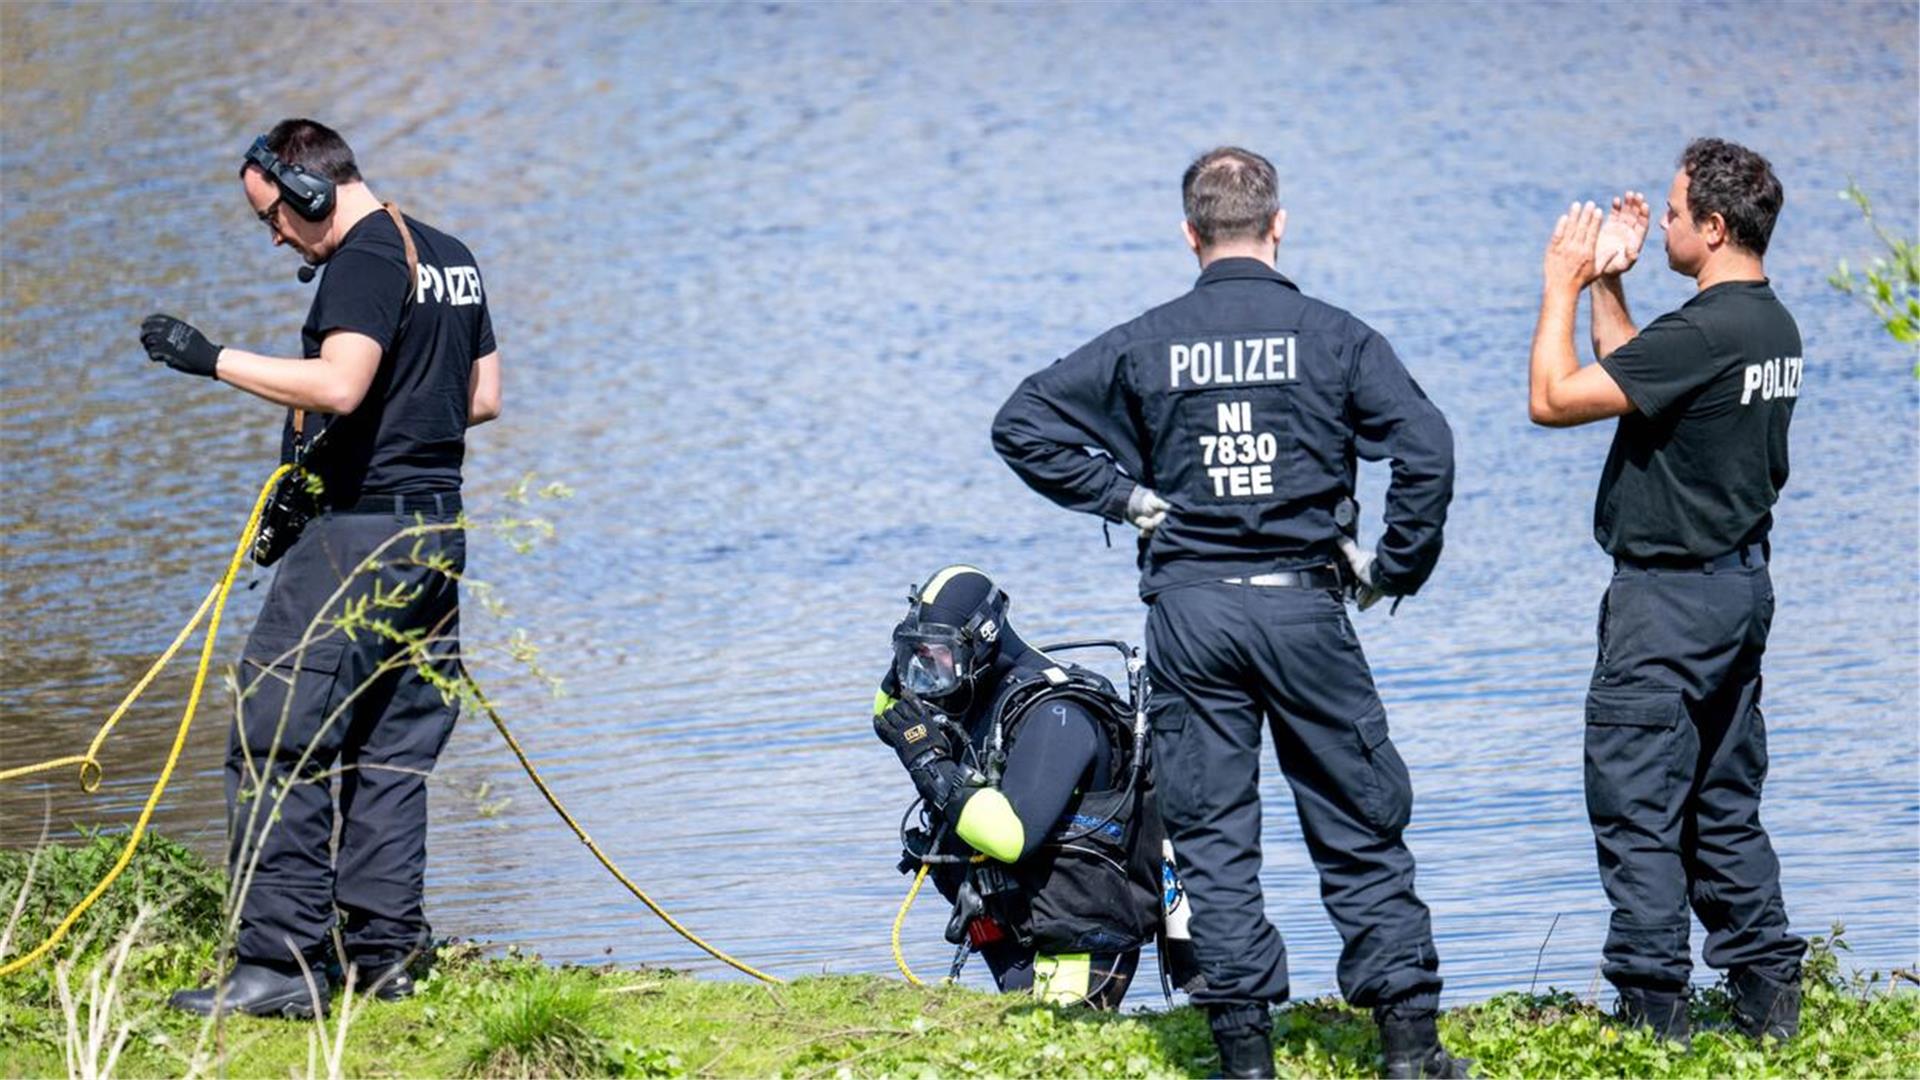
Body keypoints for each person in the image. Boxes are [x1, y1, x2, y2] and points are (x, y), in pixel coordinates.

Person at [991, 147, 1465, 1079]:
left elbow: (1022, 421)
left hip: (1193, 612)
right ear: (1278, 223)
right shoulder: (1335, 337)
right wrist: (1392, 568)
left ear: (1190, 234)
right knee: (1359, 818)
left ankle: (1246, 1060)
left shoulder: (1145, 341)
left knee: (1213, 836)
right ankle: (1409, 1053)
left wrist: (1124, 497)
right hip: (1304, 609)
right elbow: (1429, 446)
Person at [140, 118, 502, 1018]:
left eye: (273, 217)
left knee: (275, 736)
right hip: (433, 535)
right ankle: (386, 958)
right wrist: (338, 458)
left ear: (308, 191)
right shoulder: (448, 251)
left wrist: (210, 359)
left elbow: (341, 383)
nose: (274, 237)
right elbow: (481, 399)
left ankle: (281, 967)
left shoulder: (365, 261)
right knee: (389, 749)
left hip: (360, 543)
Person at [1527, 138, 1806, 1046]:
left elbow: (1557, 396)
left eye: (1679, 215)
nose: (1668, 223)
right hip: (1737, 594)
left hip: (1664, 608)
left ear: (1715, 228)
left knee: (1639, 811)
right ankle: (1770, 1010)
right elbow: (1640, 378)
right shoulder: (1767, 325)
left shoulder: (1709, 330)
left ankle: (1657, 1021)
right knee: (1724, 806)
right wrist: (1615, 283)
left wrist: (1563, 280)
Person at [873, 565, 1171, 1009]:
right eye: (913, 659)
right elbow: (887, 717)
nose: (924, 677)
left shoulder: (1057, 712)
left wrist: (931, 764)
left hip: (1076, 935)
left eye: (934, 658)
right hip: (1012, 922)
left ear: (982, 640)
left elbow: (1010, 837)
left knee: (1062, 1049)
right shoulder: (974, 686)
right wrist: (908, 662)